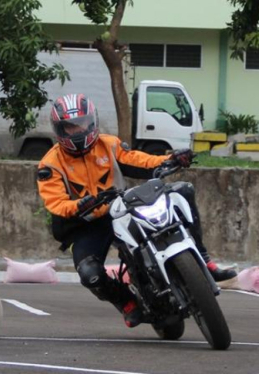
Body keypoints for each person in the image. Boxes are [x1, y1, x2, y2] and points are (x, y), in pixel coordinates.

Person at [36, 94, 237, 328]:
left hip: (120, 209)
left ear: (92, 122)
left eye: (81, 123)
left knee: (182, 191)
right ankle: (127, 302)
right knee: (90, 273)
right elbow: (55, 203)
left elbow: (137, 160)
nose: (77, 131)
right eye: (69, 127)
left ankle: (204, 261)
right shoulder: (49, 164)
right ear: (58, 130)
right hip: (85, 223)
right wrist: (81, 204)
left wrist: (171, 159)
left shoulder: (108, 144)